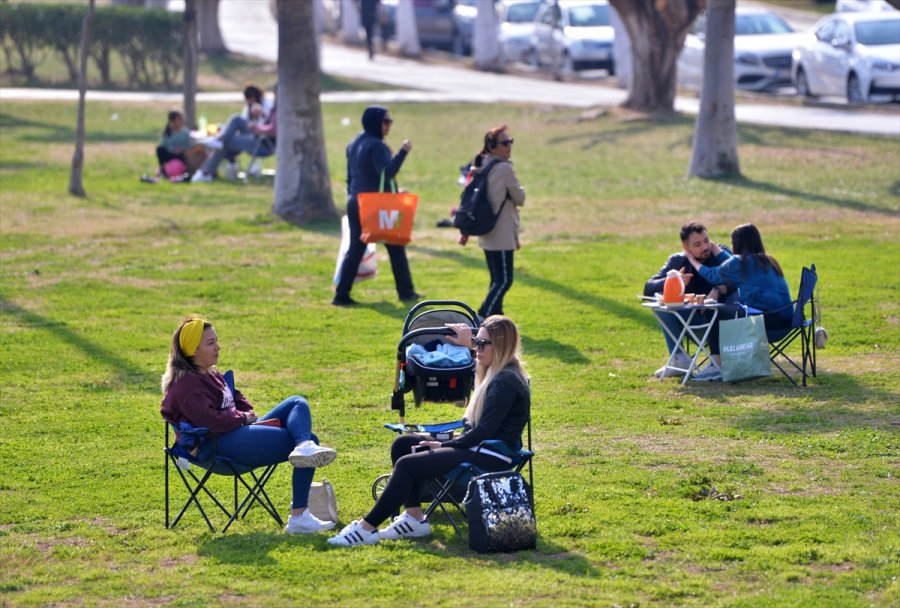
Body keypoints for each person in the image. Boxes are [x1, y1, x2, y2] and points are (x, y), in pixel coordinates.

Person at [327, 315, 530, 546]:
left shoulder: (505, 381)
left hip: (492, 454)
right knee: (404, 444)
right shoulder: (496, 372)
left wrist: (444, 444)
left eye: (482, 344)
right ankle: (414, 519)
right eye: (477, 342)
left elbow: (484, 431)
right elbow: (475, 429)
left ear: (501, 347)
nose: (477, 348)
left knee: (407, 464)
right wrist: (439, 439)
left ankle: (366, 528)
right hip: (479, 446)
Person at [160, 317, 337, 534]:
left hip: (237, 434)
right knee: (311, 438)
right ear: (193, 350)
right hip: (219, 447)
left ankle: (303, 446)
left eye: (216, 340)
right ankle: (299, 514)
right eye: (210, 343)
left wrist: (245, 414)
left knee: (297, 402)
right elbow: (211, 422)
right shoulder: (186, 385)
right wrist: (243, 419)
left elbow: (237, 398)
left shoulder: (211, 373)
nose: (218, 347)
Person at [333, 106, 421, 306]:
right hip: (375, 206)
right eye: (386, 122)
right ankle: (406, 292)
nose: (389, 126)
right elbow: (387, 172)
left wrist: (352, 195)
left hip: (356, 201)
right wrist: (403, 152)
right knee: (395, 245)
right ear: (375, 122)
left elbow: (350, 176)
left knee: (356, 248)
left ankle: (341, 294)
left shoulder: (354, 143)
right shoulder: (377, 146)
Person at [683, 223, 792, 381]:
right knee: (728, 309)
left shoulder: (740, 264)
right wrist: (714, 248)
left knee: (715, 310)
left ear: (738, 244)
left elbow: (713, 275)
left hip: (764, 322)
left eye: (733, 242)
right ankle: (719, 363)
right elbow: (733, 263)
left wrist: (692, 260)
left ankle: (716, 365)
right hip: (787, 321)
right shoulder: (769, 261)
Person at [643, 221, 732, 378]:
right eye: (697, 244)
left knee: (714, 308)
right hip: (691, 321)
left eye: (706, 240)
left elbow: (743, 278)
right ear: (686, 247)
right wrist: (673, 280)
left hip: (721, 321)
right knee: (661, 305)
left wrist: (718, 289)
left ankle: (717, 361)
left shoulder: (720, 254)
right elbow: (648, 288)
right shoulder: (677, 261)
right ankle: (679, 358)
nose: (705, 247)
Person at [460, 125, 526, 319]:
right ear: (493, 147)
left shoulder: (481, 163)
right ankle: (483, 315)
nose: (509, 146)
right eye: (505, 143)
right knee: (505, 280)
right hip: (502, 231)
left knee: (496, 279)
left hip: (485, 228)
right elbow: (520, 197)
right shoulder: (504, 167)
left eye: (510, 141)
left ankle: (495, 316)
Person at [191, 101, 276, 182]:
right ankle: (218, 139)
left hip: (264, 142)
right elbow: (270, 123)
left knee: (226, 142)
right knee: (237, 119)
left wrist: (257, 128)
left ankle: (206, 173)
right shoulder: (277, 108)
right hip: (259, 135)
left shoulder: (281, 109)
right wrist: (262, 114)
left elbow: (274, 130)